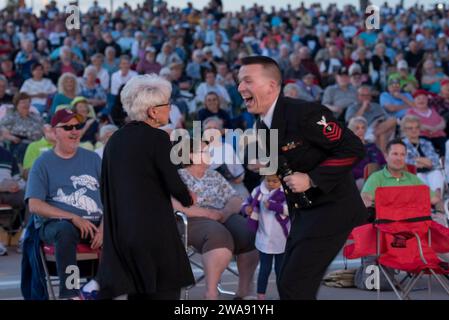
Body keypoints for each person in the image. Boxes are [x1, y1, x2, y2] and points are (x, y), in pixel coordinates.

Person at [237, 56, 368, 300]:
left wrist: (312, 178)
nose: (240, 88)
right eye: (239, 82)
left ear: (271, 86)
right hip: (304, 211)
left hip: (333, 209)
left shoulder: (306, 113)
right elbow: (293, 159)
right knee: (288, 280)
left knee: (295, 283)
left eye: (247, 81)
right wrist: (269, 165)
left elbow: (353, 148)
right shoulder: (262, 126)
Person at [97, 74, 195, 300]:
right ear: (152, 111)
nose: (170, 109)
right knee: (165, 291)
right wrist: (187, 197)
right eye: (167, 105)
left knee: (138, 292)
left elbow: (105, 187)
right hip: (153, 231)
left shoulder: (114, 140)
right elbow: (173, 182)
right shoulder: (158, 138)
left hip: (122, 231)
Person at [25, 109, 103, 299]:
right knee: (65, 230)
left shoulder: (93, 158)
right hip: (57, 225)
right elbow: (34, 205)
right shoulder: (42, 162)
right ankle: (71, 293)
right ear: (54, 132)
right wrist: (73, 217)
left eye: (77, 126)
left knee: (130, 226)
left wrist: (105, 227)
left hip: (96, 223)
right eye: (67, 127)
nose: (74, 131)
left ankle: (96, 286)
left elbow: (111, 197)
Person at [173, 141, 258, 300]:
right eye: (204, 151)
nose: (209, 154)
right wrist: (208, 214)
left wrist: (224, 212)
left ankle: (243, 291)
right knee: (219, 236)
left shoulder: (214, 175)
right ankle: (211, 293)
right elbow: (178, 206)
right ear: (190, 155)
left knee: (249, 233)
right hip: (193, 219)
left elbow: (235, 199)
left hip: (222, 215)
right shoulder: (179, 176)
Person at [241, 174, 289, 300]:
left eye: (275, 181)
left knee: (281, 270)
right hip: (264, 237)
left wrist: (274, 206)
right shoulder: (258, 191)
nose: (271, 183)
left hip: (281, 238)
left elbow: (290, 210)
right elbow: (246, 202)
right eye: (268, 180)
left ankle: (283, 295)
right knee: (264, 269)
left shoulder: (286, 192)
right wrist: (247, 209)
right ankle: (260, 296)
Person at [347, 117, 386, 190]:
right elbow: (349, 170)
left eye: (363, 128)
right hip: (359, 179)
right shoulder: (348, 149)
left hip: (377, 178)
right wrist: (368, 175)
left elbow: (383, 163)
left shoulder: (372, 147)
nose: (361, 130)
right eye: (357, 128)